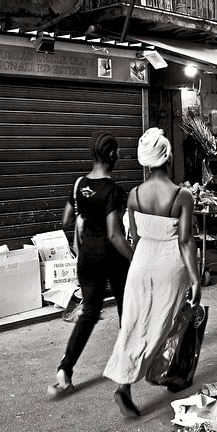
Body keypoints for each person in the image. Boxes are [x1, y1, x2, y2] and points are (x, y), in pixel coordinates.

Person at [103, 127, 202, 417]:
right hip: (170, 265)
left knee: (134, 325)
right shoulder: (182, 195)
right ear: (168, 157)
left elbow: (134, 237)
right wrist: (195, 279)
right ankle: (171, 374)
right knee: (166, 324)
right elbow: (186, 241)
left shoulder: (134, 195)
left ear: (145, 162)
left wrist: (141, 261)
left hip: (141, 263)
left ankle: (124, 386)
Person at [47, 132, 133, 397]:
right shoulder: (114, 191)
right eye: (117, 152)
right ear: (111, 156)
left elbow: (66, 220)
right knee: (127, 311)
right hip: (112, 258)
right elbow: (115, 235)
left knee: (90, 313)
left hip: (87, 257)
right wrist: (134, 258)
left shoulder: (79, 184)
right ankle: (124, 370)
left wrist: (84, 219)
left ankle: (65, 371)